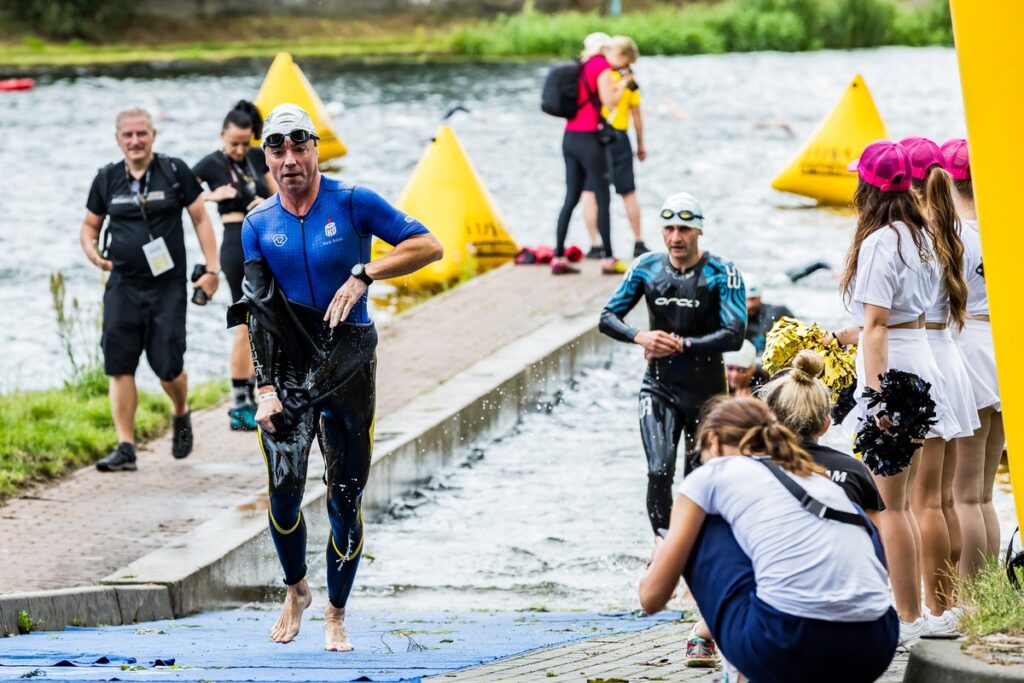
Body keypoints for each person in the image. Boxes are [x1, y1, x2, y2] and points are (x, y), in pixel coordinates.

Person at [235, 103, 443, 652]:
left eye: (299, 147)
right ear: (268, 159)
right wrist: (263, 387)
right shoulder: (257, 225)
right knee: (282, 494)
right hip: (288, 368)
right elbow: (257, 311)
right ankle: (297, 588)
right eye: (278, 150)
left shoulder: (352, 202)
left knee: (345, 497)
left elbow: (428, 245)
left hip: (350, 358)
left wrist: (365, 271)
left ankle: (335, 610)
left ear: (315, 150)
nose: (290, 160)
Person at [639, 397, 897, 683]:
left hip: (785, 644)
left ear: (713, 441)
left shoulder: (713, 474)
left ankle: (736, 672)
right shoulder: (812, 475)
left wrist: (666, 549)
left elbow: (651, 599)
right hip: (875, 644)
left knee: (702, 526)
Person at [832, 139, 962, 645]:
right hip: (925, 360)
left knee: (893, 506)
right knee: (924, 500)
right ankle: (935, 609)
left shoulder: (879, 241)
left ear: (867, 186)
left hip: (897, 370)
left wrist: (877, 397)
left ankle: (906, 618)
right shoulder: (924, 234)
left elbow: (878, 325)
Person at [79, 107, 219, 472]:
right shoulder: (106, 178)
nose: (135, 141)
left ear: (153, 135)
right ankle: (125, 447)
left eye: (142, 133)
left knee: (168, 366)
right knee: (119, 365)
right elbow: (90, 227)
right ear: (118, 139)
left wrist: (212, 269)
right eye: (128, 135)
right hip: (123, 285)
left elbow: (201, 218)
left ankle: (180, 410)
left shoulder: (174, 172)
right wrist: (93, 252)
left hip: (167, 286)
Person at [599, 191, 746, 537]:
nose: (675, 238)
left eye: (684, 229)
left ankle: (696, 545)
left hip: (707, 393)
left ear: (699, 232)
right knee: (658, 469)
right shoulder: (647, 268)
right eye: (669, 229)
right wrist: (641, 337)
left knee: (700, 475)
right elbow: (607, 317)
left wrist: (682, 344)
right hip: (659, 386)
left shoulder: (721, 272)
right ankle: (663, 543)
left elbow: (734, 334)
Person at [901, 136, 973, 631]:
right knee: (947, 497)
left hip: (924, 356)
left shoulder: (917, 237)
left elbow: (896, 316)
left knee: (921, 500)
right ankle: (949, 602)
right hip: (950, 358)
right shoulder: (951, 232)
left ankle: (934, 608)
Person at [192, 100, 278, 432]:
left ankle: (268, 390)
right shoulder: (212, 163)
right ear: (222, 136)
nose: (240, 150)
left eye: (245, 143)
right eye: (233, 144)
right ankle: (240, 403)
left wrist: (266, 202)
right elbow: (180, 195)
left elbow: (280, 195)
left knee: (269, 317)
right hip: (234, 240)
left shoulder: (258, 157)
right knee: (246, 320)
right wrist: (213, 196)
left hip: (265, 238)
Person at [942, 137, 1005, 578]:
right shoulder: (1003, 229)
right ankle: (985, 590)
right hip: (1000, 353)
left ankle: (967, 597)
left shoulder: (954, 238)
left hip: (965, 349)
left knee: (962, 494)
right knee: (983, 494)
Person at [760, 350, 884, 525]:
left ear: (769, 418)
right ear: (826, 424)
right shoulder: (855, 471)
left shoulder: (753, 470)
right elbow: (876, 541)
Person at [552, 32, 631, 276]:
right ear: (604, 49)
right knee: (603, 197)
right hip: (590, 140)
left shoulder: (578, 66)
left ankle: (558, 256)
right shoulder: (602, 67)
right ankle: (608, 258)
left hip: (569, 138)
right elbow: (609, 103)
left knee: (570, 197)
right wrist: (623, 86)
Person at [582, 35, 648, 259]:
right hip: (620, 138)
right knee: (628, 192)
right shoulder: (629, 81)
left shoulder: (599, 75)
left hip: (598, 137)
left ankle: (595, 244)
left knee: (590, 192)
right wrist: (641, 144)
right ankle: (638, 241)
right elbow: (636, 116)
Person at [744, 274, 793, 355]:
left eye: (753, 299)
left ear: (760, 296)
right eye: (745, 299)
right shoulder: (732, 320)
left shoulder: (778, 313)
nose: (749, 305)